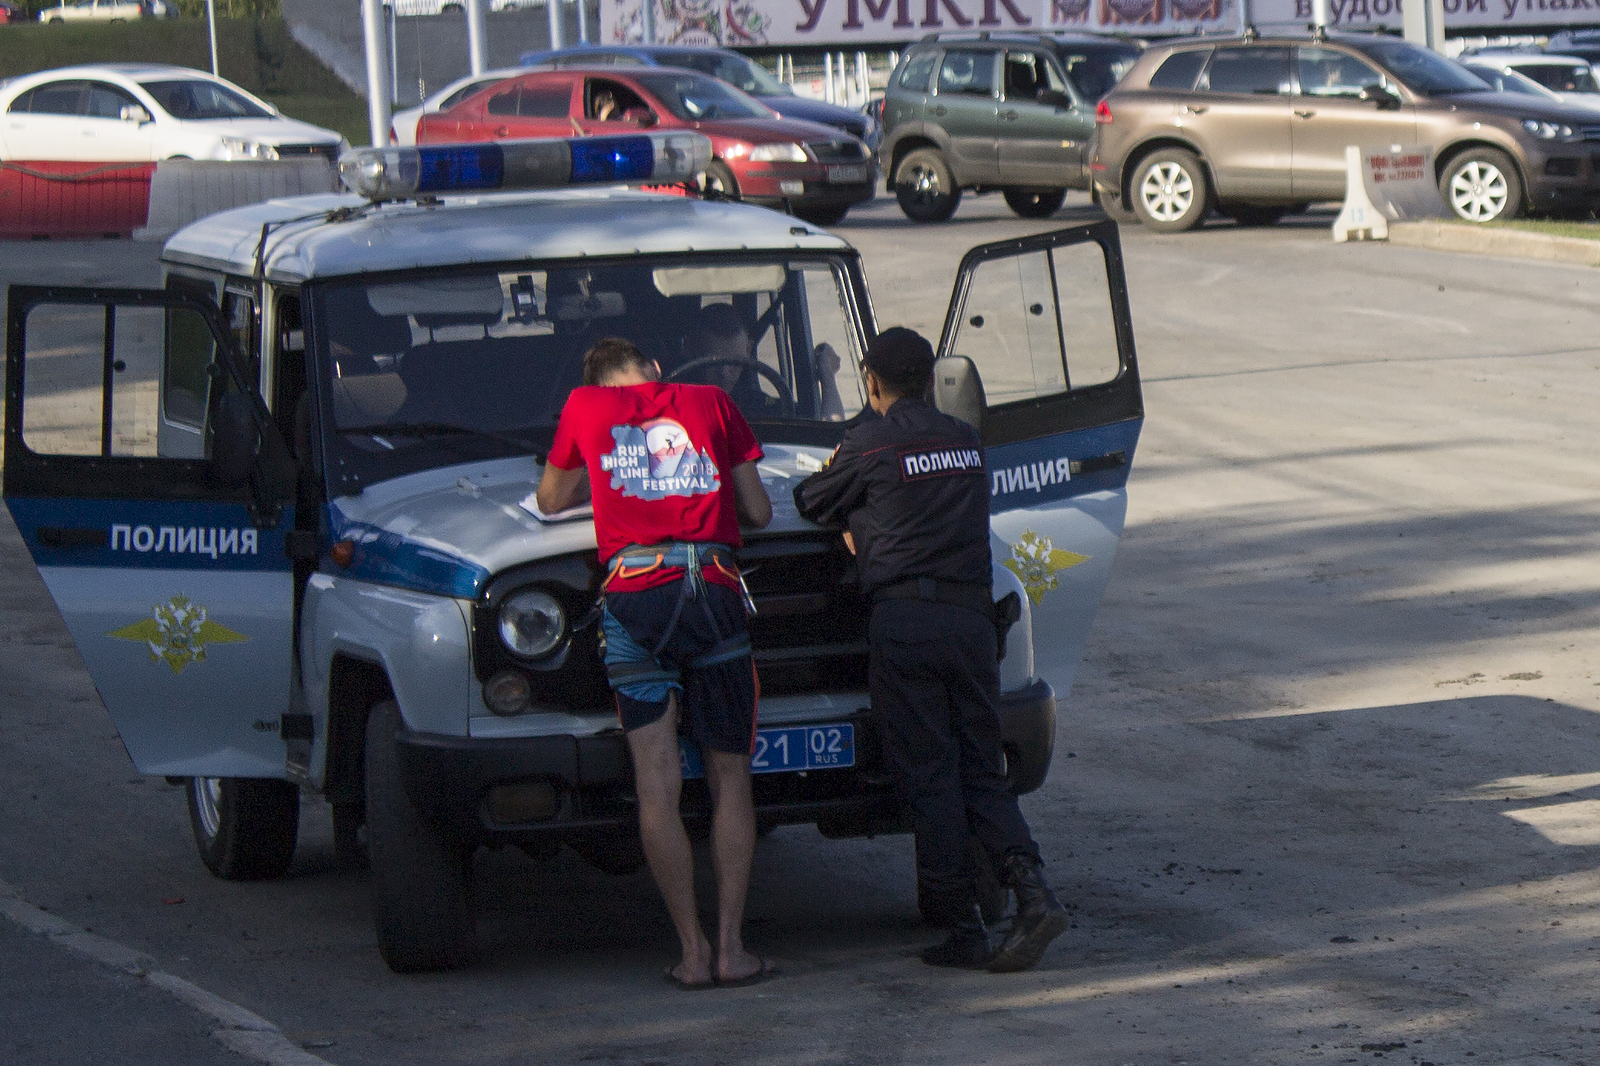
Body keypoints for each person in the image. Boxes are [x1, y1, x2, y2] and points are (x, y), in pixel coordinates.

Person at [792, 327, 1068, 972]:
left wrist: (858, 518)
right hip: (972, 623)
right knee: (981, 769)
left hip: (907, 623)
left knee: (930, 774)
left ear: (871, 381)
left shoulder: (871, 441)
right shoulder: (966, 441)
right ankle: (1033, 892)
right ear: (929, 380)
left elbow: (810, 500)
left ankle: (962, 929)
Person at [535, 337, 776, 989]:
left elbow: (551, 500)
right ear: (656, 368)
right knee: (730, 775)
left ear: (596, 378)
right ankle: (733, 949)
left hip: (634, 593)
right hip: (713, 590)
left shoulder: (585, 406)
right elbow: (758, 510)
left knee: (656, 782)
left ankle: (691, 955)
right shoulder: (712, 401)